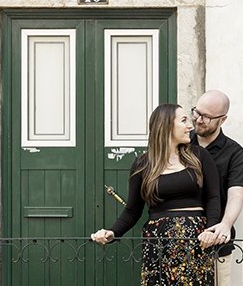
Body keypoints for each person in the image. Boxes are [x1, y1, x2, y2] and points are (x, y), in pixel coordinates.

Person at [92, 103, 222, 285]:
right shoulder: (143, 164)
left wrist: (211, 230)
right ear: (167, 125)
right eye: (184, 120)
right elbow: (132, 210)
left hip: (196, 241)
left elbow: (213, 198)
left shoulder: (199, 156)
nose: (190, 126)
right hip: (158, 243)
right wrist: (112, 232)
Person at [192, 90, 243, 284]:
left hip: (217, 243)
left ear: (222, 120)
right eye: (196, 112)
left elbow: (236, 193)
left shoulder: (234, 152)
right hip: (180, 239)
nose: (199, 120)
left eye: (207, 117)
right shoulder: (180, 144)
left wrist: (225, 224)